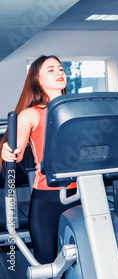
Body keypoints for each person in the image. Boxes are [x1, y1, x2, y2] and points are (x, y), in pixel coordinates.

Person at [1, 55, 78, 264]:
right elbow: (13, 154)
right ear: (37, 80)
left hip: (83, 194)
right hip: (48, 199)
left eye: (61, 68)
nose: (59, 72)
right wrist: (7, 152)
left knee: (86, 260)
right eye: (51, 70)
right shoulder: (31, 114)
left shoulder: (78, 109)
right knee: (47, 263)